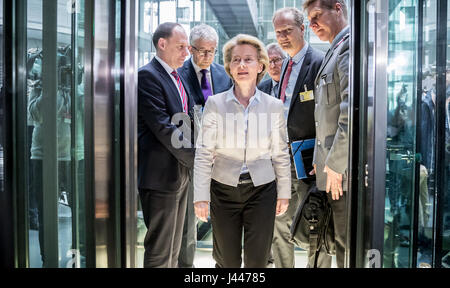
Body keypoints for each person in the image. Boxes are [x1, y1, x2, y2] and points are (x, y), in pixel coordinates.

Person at [193, 34, 291, 268]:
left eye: (248, 59)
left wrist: (284, 192)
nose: (242, 65)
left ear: (260, 65)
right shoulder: (215, 104)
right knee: (227, 260)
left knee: (258, 260)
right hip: (223, 189)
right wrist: (201, 196)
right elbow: (204, 153)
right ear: (229, 67)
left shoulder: (273, 106)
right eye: (236, 60)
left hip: (262, 190)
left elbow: (280, 153)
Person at [138, 22, 195, 268]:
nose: (187, 53)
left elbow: (187, 120)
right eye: (181, 46)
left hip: (179, 173)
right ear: (162, 44)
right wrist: (198, 157)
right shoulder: (148, 76)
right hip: (160, 177)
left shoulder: (176, 76)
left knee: (174, 248)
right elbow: (163, 127)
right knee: (161, 250)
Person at [271, 7, 324, 268]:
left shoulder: (318, 62)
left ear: (302, 29)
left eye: (287, 31)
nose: (282, 37)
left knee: (316, 220)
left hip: (310, 161)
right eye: (278, 32)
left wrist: (323, 157)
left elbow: (327, 116)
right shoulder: (286, 66)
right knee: (280, 221)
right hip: (283, 160)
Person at [176, 24, 232, 268]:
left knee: (222, 218)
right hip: (190, 156)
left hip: (220, 157)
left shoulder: (222, 74)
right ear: (190, 49)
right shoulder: (178, 74)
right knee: (188, 221)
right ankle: (185, 266)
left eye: (212, 51)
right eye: (202, 51)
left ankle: (222, 265)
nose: (208, 57)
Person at [304, 0, 350, 268]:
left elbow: (352, 113)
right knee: (334, 240)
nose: (312, 24)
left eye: (317, 16)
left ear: (338, 7)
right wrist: (321, 160)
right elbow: (327, 118)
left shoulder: (347, 49)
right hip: (331, 169)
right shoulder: (334, 50)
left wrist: (335, 162)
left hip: (342, 173)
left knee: (345, 242)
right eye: (309, 19)